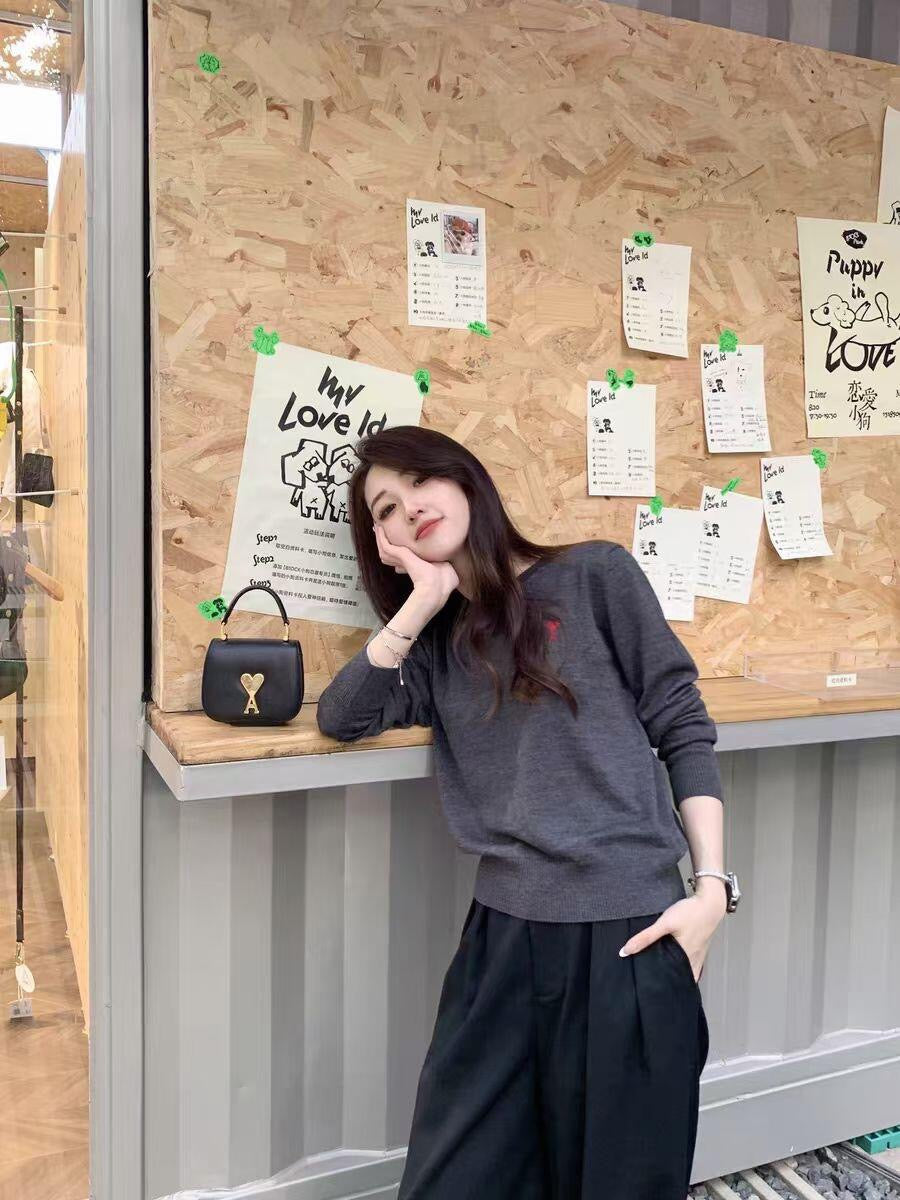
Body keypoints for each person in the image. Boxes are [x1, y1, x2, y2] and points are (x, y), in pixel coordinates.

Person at [316, 425, 733, 1200]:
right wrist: (422, 603)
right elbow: (343, 716)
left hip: (628, 935)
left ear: (463, 478)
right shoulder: (434, 649)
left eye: (420, 481)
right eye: (386, 508)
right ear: (383, 544)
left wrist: (712, 891)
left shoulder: (595, 576)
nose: (410, 507)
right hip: (500, 946)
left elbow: (682, 722)